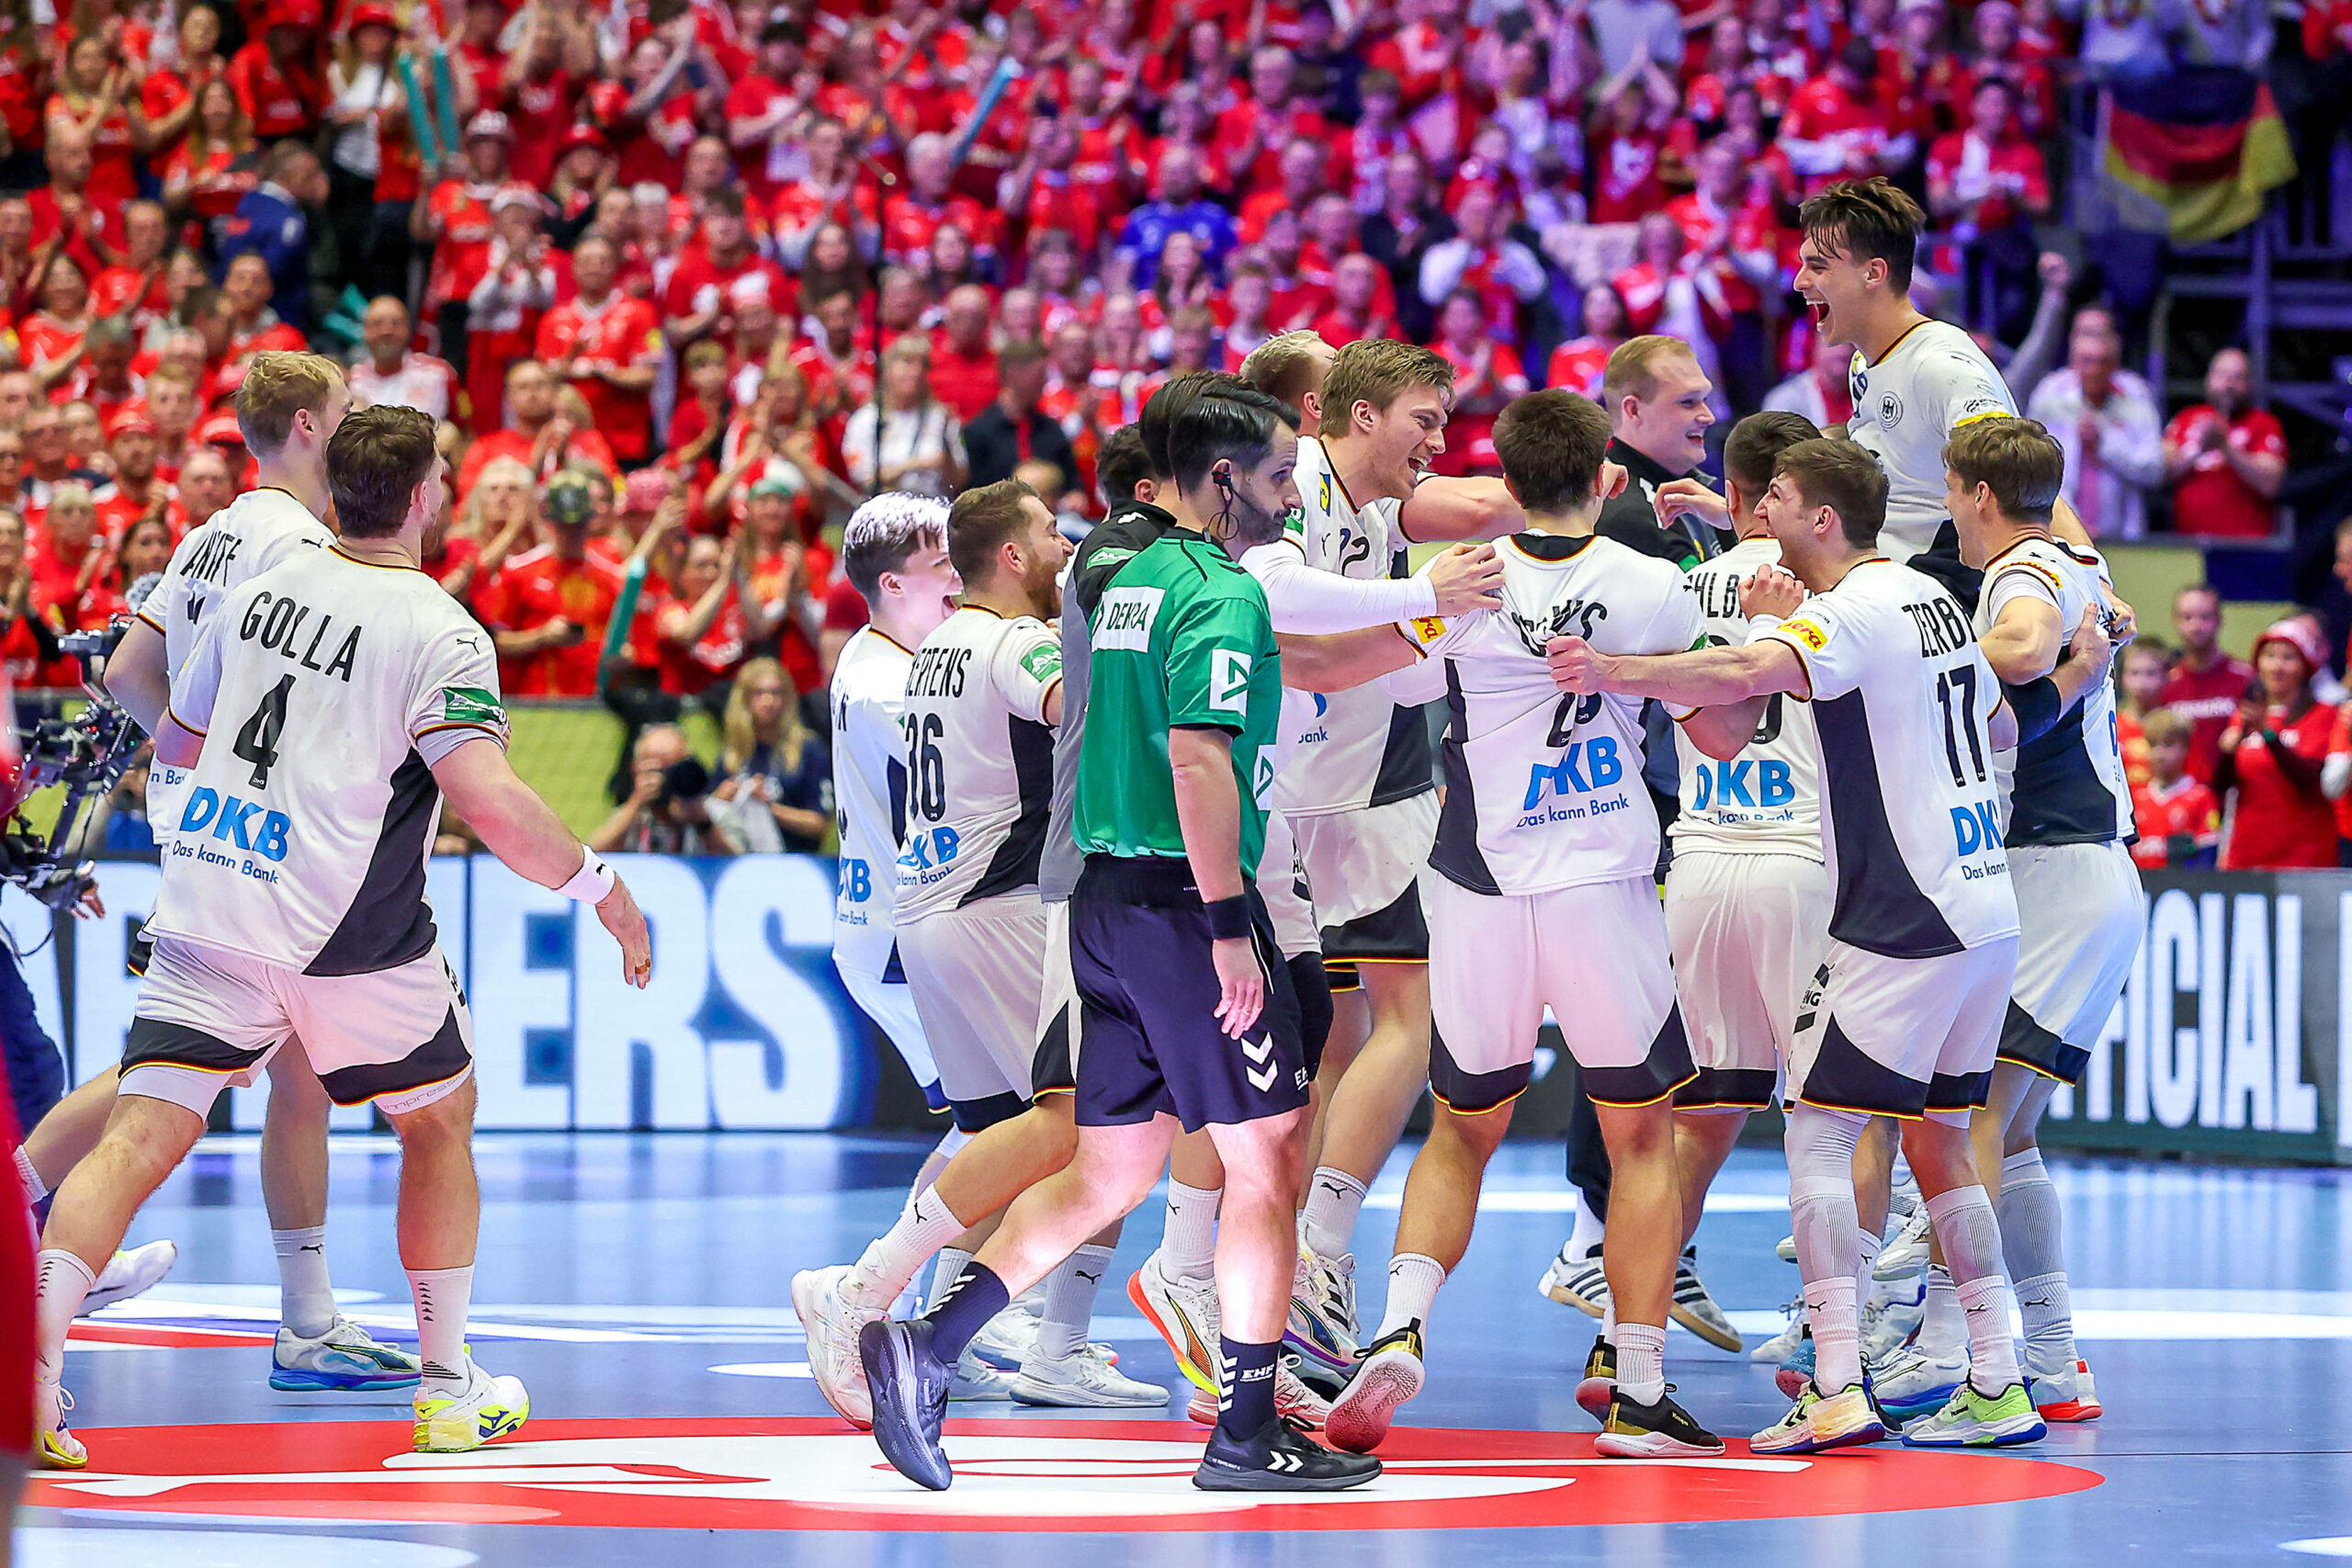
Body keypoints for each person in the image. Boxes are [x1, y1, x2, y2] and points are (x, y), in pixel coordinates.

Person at [31, 403, 653, 1466]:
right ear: (419, 498)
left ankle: (30, 1383)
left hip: (214, 895)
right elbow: (492, 804)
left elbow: (176, 739)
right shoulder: (440, 625)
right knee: (439, 1119)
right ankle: (449, 1388)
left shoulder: (260, 588)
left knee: (139, 1134)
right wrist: (603, 889)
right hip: (345, 927)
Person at [858, 383, 1382, 1494]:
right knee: (1269, 1157)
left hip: (1095, 901)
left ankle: (928, 1345)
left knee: (1114, 1165)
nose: (1295, 499)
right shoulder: (1218, 592)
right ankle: (1246, 1428)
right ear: (1224, 478)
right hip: (1180, 906)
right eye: (1282, 476)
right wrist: (1232, 928)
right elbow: (1197, 759)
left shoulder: (1113, 573)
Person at [1548, 436, 2112, 1454]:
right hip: (1985, 905)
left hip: (1903, 914)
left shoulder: (1847, 611)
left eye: (1778, 500)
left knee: (1817, 1133)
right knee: (1942, 1140)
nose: (1758, 514)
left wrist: (1614, 670)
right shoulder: (1934, 599)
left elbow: (1751, 669)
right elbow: (1994, 726)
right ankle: (1994, 1378)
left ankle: (1837, 1382)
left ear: (1820, 519)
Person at [1324, 388, 1723, 1461]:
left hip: (1476, 886)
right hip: (1601, 883)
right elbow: (1722, 739)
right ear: (1607, 478)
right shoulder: (1651, 583)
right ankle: (1637, 1387)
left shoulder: (1460, 585)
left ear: (1502, 484)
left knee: (1463, 1128)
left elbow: (1350, 678)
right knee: (1641, 1136)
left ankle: (1398, 1327)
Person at [25, 355, 416, 1426]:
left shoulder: (210, 532)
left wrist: (187, 765)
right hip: (266, 837)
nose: (355, 433)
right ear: (305, 425)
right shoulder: (300, 547)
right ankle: (27, 1211)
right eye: (343, 418)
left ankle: (306, 1316)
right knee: (186, 1069)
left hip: (206, 823)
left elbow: (128, 678)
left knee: (263, 1063)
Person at [1870, 416, 2137, 1430]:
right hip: (2080, 875)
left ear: (1975, 493)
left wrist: (1934, 660)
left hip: (2057, 873)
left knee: (1965, 1121)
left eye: (1948, 487)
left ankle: (1955, 1355)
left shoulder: (2021, 570)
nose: (1944, 504)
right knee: (2010, 1136)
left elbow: (2022, 648)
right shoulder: (2078, 558)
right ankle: (2055, 1361)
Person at [1792, 177, 2022, 591]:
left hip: (1939, 594)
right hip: (1881, 580)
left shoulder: (1941, 365)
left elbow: (2022, 481)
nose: (1799, 281)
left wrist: (2092, 572)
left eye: (1818, 266)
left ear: (1873, 273)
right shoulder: (1864, 361)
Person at [2215, 619, 2337, 870]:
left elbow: (2311, 782)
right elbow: (2223, 785)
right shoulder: (2244, 717)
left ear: (2305, 667)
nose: (2276, 666)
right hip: (2248, 859)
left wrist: (2269, 736)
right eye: (2269, 656)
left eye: (2288, 657)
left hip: (2306, 860)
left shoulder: (2324, 716)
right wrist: (2226, 754)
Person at [2024, 321, 2164, 541]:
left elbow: (2153, 470)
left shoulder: (2136, 398)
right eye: (2087, 361)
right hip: (2059, 532)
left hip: (2123, 537)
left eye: (2103, 362)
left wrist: (2105, 446)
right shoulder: (2050, 395)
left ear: (2115, 364)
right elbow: (2032, 467)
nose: (2094, 370)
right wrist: (2073, 525)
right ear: (2074, 362)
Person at [2163, 347, 2288, 541]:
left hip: (2246, 547)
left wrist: (2225, 447)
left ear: (2250, 383)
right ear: (2208, 379)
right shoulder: (2184, 419)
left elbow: (2270, 484)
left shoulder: (2263, 423)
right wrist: (2197, 450)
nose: (2229, 384)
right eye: (2222, 375)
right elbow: (2160, 473)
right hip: (2187, 546)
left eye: (2238, 377)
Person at [710, 657, 832, 854]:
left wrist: (769, 808)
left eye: (775, 693)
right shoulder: (732, 753)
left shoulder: (809, 750)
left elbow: (819, 824)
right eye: (758, 693)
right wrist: (719, 800)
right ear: (744, 699)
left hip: (796, 861)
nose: (768, 702)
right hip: (739, 862)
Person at [586, 724, 735, 855]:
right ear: (635, 770)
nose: (666, 780)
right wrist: (636, 802)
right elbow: (596, 857)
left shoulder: (715, 812)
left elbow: (739, 865)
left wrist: (703, 824)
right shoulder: (632, 818)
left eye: (673, 768)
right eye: (657, 770)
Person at [2157, 583, 2252, 784]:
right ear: (2175, 621)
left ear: (2219, 620)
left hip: (2236, 795)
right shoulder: (2164, 684)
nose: (2196, 626)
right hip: (2182, 801)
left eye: (2205, 617)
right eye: (2187, 617)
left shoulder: (2245, 678)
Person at [962, 341, 1080, 493]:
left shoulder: (1051, 429)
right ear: (1014, 374)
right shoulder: (979, 432)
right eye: (1039, 374)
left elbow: (1072, 482)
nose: (1045, 382)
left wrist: (1075, 495)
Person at [2135, 708, 2220, 868]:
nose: (2159, 754)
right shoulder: (2135, 799)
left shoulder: (2200, 797)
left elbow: (2208, 856)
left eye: (2168, 744)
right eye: (2152, 745)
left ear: (2186, 748)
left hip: (2181, 889)